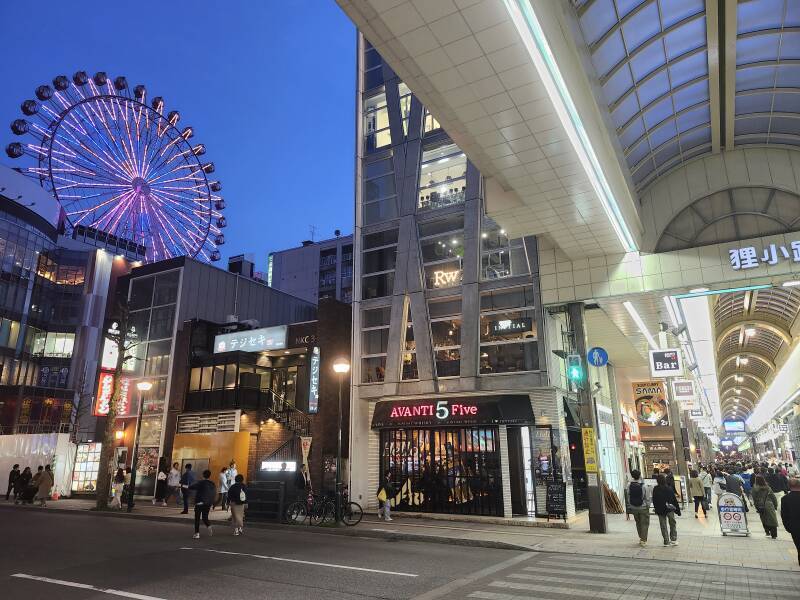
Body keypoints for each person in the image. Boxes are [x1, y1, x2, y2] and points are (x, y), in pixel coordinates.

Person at [652, 474, 679, 546]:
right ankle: (673, 539)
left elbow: (654, 500)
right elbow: (674, 500)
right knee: (672, 523)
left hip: (660, 510)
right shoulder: (669, 488)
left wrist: (655, 508)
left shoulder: (655, 489)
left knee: (663, 525)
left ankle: (666, 541)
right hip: (669, 509)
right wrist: (678, 510)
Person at [188, 469, 216, 539]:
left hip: (200, 502)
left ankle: (197, 533)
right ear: (210, 476)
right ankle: (209, 526)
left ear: (203, 475)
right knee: (205, 517)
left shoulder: (201, 482)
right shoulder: (212, 484)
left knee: (197, 518)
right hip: (208, 503)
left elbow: (191, 487)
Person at [627, 469, 651, 546]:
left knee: (638, 522)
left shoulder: (629, 485)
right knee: (644, 523)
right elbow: (647, 498)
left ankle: (641, 537)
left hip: (634, 507)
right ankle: (643, 540)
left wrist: (630, 505)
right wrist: (648, 506)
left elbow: (628, 496)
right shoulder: (644, 486)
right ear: (640, 475)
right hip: (643, 508)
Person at [752, 474, 779, 539]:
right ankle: (774, 535)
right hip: (769, 505)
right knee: (772, 519)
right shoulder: (768, 488)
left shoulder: (755, 488)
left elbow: (754, 498)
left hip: (760, 505)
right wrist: (775, 506)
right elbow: (773, 498)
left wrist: (756, 506)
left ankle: (767, 532)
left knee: (763, 518)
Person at [780, 477, 800, 566]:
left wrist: (788, 528)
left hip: (795, 528)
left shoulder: (785, 499)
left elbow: (784, 515)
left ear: (789, 486)